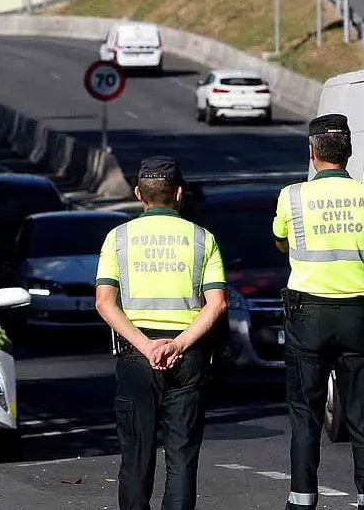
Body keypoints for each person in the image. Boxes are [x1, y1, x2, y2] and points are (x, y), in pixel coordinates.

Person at [94, 156, 228, 510]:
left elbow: (105, 303)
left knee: (136, 453)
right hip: (188, 354)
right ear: (179, 193)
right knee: (182, 455)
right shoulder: (202, 238)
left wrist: (146, 346)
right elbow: (216, 304)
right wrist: (178, 344)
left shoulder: (117, 238)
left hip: (138, 356)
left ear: (139, 193)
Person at [271, 114, 364, 510]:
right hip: (358, 314)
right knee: (363, 413)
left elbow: (281, 241)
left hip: (309, 315)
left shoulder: (292, 196)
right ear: (349, 152)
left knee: (305, 413)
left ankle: (303, 499)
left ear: (312, 152)